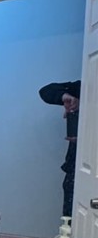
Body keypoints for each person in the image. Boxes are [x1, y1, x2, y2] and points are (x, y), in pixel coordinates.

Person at [39, 80, 80, 217]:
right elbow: (46, 91)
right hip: (76, 168)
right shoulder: (85, 87)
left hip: (89, 167)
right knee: (69, 226)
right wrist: (66, 97)